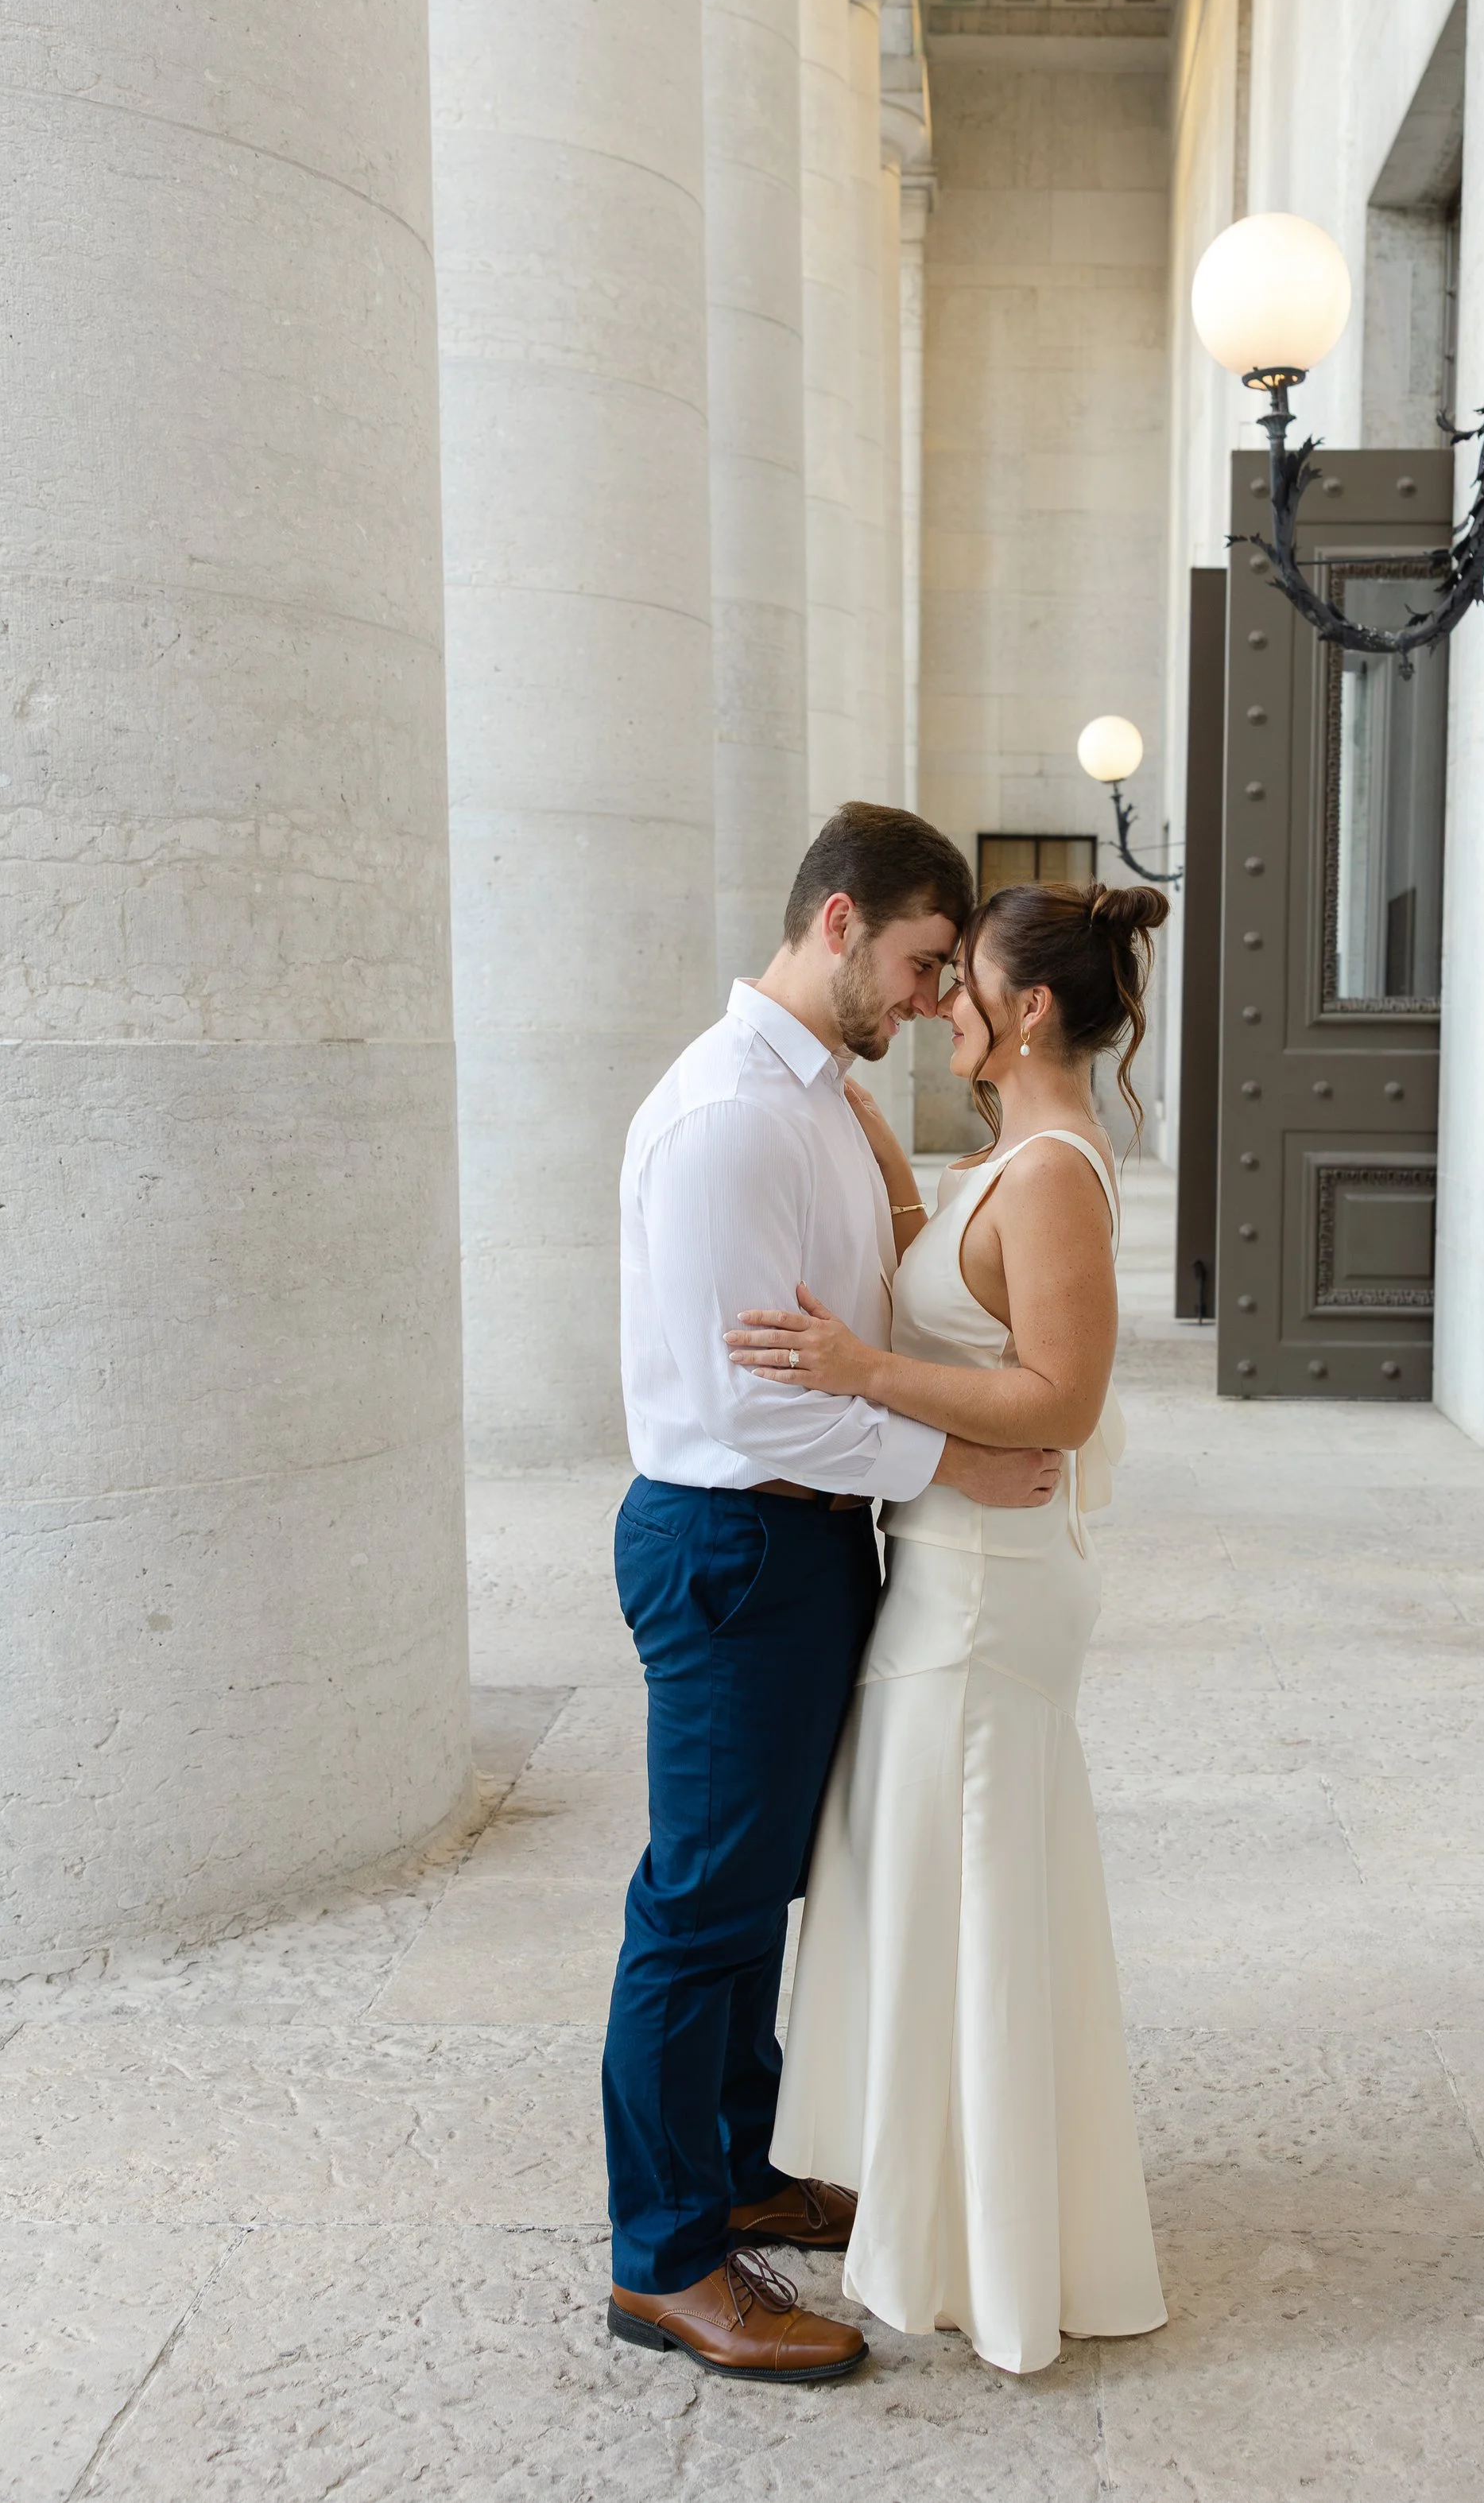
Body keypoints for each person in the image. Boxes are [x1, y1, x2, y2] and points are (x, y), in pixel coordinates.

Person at [603, 803, 1067, 2386]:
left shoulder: (815, 1100)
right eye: (923, 963)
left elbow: (856, 1314)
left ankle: (737, 2167)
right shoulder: (731, 1115)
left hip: (802, 1542)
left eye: (952, 974)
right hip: (733, 1535)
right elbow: (747, 1409)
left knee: (754, 1899)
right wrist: (944, 1462)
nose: (935, 1000)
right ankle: (665, 2260)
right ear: (838, 923)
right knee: (699, 1904)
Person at [724, 879, 1172, 2376]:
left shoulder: (1052, 1174)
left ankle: (985, 2245)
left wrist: (858, 1369)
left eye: (962, 980)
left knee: (967, 1895)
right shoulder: (1011, 1160)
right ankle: (971, 2214)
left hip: (985, 1592)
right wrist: (885, 1169)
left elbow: (1059, 1400)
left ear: (1028, 1006)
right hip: (954, 1574)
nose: (941, 1002)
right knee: (949, 1898)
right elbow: (965, 1298)